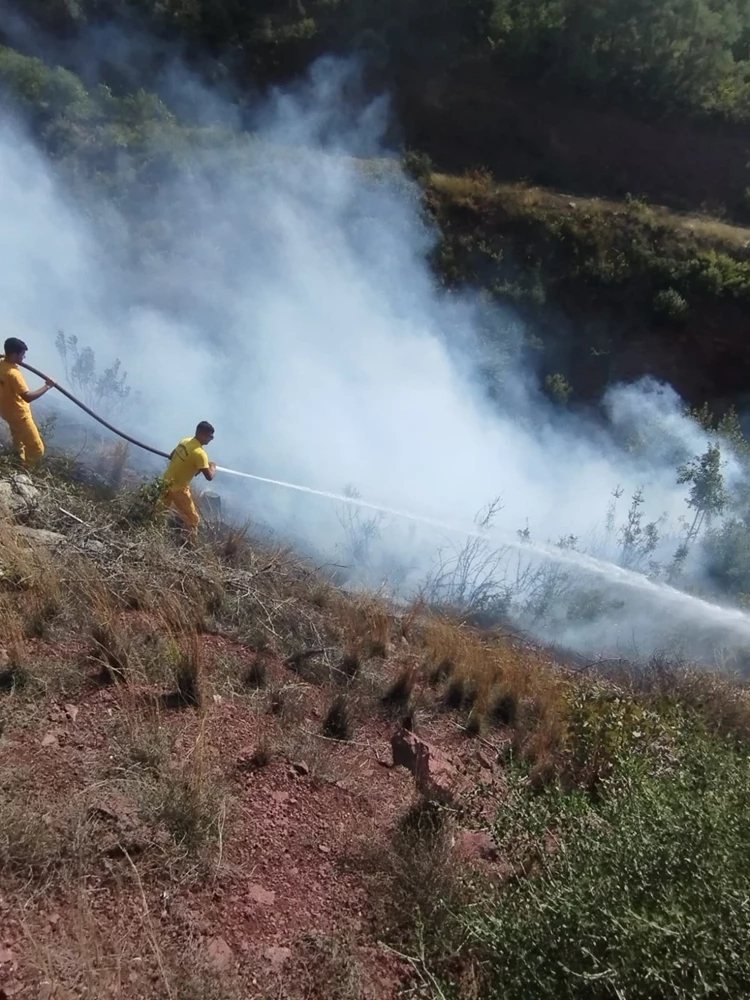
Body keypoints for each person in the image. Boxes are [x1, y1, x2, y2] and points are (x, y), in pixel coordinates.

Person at [0, 338, 56, 469]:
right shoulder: (14, 374)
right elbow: (27, 397)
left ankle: (16, 462)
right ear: (14, 354)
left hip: (7, 412)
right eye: (22, 354)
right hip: (20, 416)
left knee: (19, 441)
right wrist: (47, 386)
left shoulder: (2, 364)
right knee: (37, 449)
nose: (24, 357)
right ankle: (25, 471)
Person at [162, 421, 217, 540]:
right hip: (179, 489)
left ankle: (150, 530)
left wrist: (194, 466)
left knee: (159, 511)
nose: (212, 439)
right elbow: (209, 477)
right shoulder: (200, 454)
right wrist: (212, 466)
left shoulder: (185, 441)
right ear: (203, 434)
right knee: (193, 519)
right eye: (210, 436)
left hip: (165, 482)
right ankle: (187, 543)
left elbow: (172, 456)